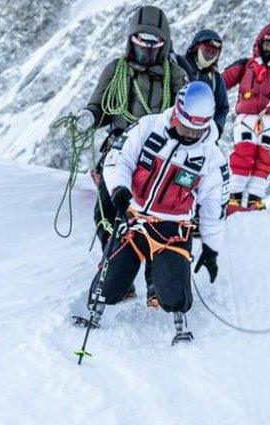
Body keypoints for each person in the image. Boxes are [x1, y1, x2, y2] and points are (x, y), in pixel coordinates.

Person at [82, 82, 227, 338]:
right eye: (187, 127)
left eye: (199, 129)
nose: (192, 134)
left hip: (172, 228)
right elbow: (119, 159)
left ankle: (180, 324)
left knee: (172, 294)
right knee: (111, 282)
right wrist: (118, 189)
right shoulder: (148, 127)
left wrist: (211, 249)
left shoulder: (212, 159)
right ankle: (96, 309)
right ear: (177, 114)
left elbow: (214, 209)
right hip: (134, 216)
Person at [75, 5, 189, 303]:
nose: (148, 47)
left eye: (154, 42)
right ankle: (117, 275)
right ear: (131, 39)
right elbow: (99, 105)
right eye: (142, 39)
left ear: (164, 43)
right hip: (118, 150)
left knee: (157, 216)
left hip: (159, 157)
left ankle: (156, 282)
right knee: (107, 211)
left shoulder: (175, 75)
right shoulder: (115, 70)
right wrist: (89, 117)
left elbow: (185, 114)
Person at [222, 23, 270, 213]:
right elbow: (223, 81)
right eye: (266, 45)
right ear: (260, 44)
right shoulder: (245, 65)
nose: (269, 50)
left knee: (264, 158)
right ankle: (235, 195)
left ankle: (255, 197)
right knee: (243, 153)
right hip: (246, 118)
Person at [174, 29, 229, 138]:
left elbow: (222, 108)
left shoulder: (215, 78)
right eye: (206, 51)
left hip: (201, 135)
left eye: (213, 53)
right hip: (176, 128)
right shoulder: (179, 66)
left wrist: (215, 131)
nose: (209, 55)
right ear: (196, 48)